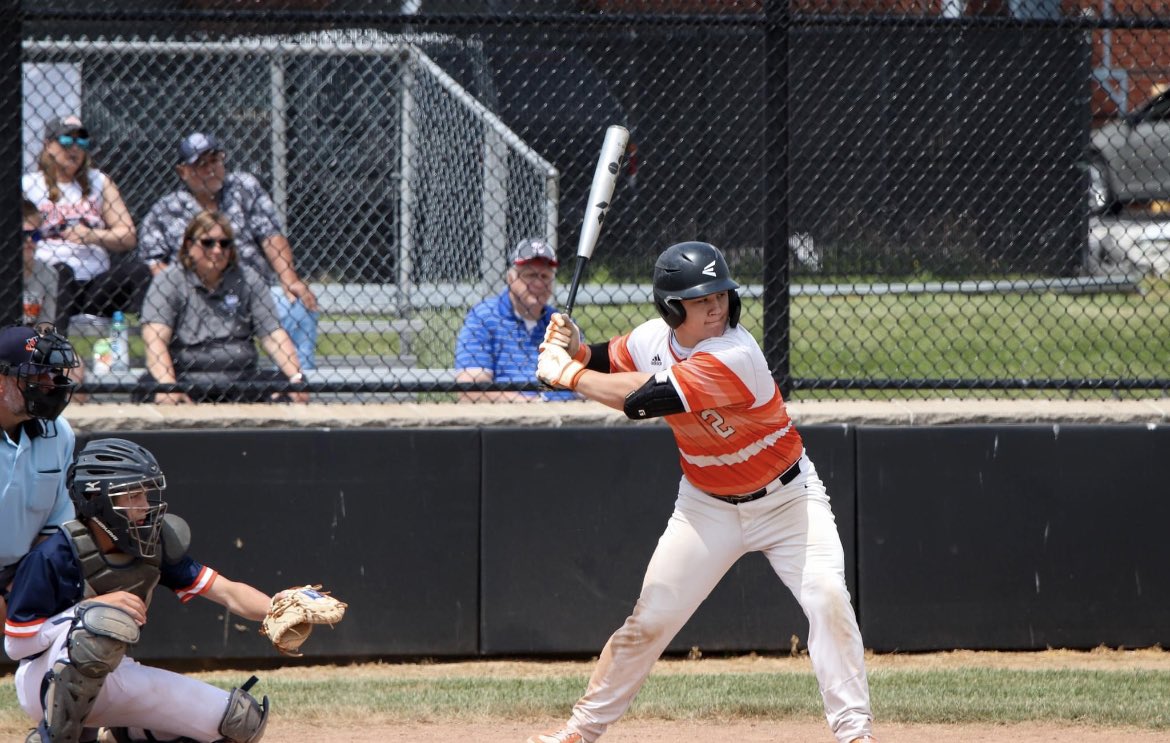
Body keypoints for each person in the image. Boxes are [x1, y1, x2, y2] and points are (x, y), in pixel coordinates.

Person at [531, 241, 877, 743]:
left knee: (827, 599)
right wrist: (575, 347)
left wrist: (570, 375)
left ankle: (856, 734)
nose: (716, 305)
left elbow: (645, 398)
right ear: (673, 309)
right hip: (706, 505)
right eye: (700, 298)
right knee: (650, 620)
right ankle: (581, 731)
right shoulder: (654, 338)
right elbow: (609, 361)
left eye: (720, 293)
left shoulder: (736, 353)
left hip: (788, 501)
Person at [3, 437, 273, 743]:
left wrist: (280, 608)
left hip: (114, 676)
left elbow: (228, 592)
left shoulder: (149, 546)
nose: (144, 506)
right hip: (43, 684)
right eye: (132, 495)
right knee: (101, 620)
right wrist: (86, 611)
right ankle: (56, 737)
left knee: (238, 723)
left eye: (145, 493)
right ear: (96, 498)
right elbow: (17, 646)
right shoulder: (51, 556)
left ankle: (127, 733)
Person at [137, 132, 320, 371]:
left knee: (296, 305)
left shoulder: (243, 187)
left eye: (215, 160)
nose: (211, 169)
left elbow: (270, 235)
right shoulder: (167, 209)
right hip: (195, 298)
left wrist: (289, 279)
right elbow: (155, 264)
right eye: (201, 164)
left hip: (250, 292)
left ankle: (297, 384)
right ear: (183, 172)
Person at [137, 210, 308, 404]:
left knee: (286, 387)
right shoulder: (168, 280)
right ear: (188, 245)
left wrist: (296, 378)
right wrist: (168, 384)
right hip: (185, 377)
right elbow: (155, 340)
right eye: (208, 243)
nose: (217, 250)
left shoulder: (247, 278)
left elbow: (272, 334)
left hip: (241, 381)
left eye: (224, 244)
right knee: (148, 387)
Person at [22, 115, 149, 334]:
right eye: (66, 141)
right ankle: (53, 353)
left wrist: (92, 236)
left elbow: (128, 235)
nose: (75, 148)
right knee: (61, 270)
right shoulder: (30, 185)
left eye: (81, 141)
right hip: (51, 281)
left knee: (139, 271)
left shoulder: (99, 181)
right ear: (48, 145)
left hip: (94, 285)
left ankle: (150, 345)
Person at [0, 324, 79, 629]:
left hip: (21, 574)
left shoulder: (59, 433)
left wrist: (17, 592)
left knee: (102, 616)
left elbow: (53, 532)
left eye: (52, 373)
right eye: (34, 375)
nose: (49, 384)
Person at [453, 237, 577, 402]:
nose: (539, 283)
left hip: (566, 415)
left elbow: (583, 381)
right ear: (510, 279)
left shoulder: (560, 323)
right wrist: (531, 404)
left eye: (545, 276)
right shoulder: (484, 316)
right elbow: (470, 388)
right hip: (507, 417)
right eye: (530, 275)